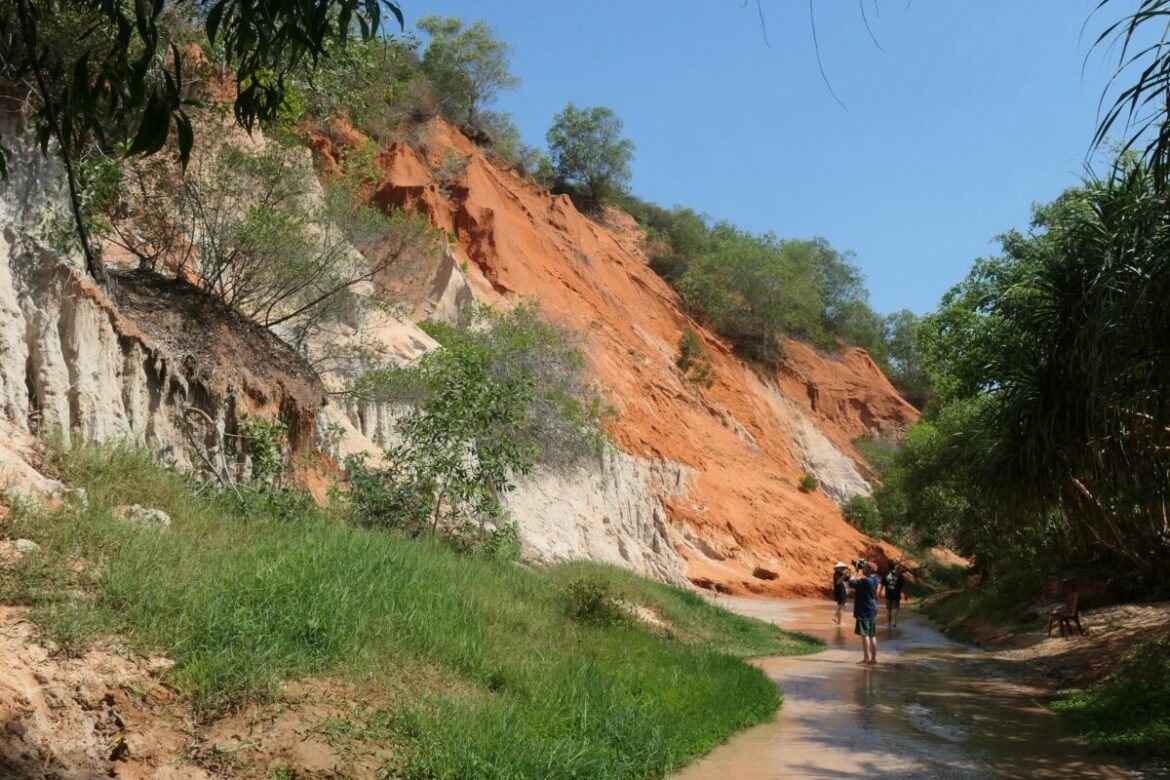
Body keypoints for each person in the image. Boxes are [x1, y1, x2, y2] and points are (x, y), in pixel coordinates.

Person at [848, 560, 881, 664]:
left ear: (869, 569)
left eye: (865, 567)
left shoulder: (866, 581)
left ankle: (866, 658)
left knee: (865, 635)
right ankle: (873, 659)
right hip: (872, 609)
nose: (863, 568)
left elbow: (851, 583)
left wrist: (854, 573)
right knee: (872, 635)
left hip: (864, 610)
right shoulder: (875, 579)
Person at [879, 562, 907, 628]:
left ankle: (889, 623)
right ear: (894, 567)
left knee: (888, 610)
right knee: (895, 608)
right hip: (896, 595)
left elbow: (881, 586)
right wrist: (905, 595)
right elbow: (903, 587)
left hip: (888, 595)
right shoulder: (899, 576)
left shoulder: (886, 576)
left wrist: (879, 593)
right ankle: (894, 623)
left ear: (889, 568)